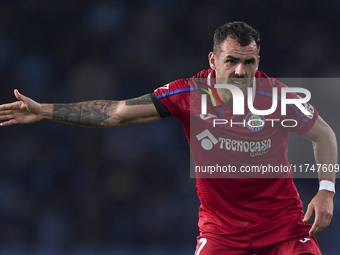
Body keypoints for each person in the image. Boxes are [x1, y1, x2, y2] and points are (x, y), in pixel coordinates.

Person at [0, 21, 336, 255]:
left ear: (257, 62)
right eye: (231, 61)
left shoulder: (278, 97)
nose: (240, 71)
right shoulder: (188, 93)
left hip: (282, 227)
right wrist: (44, 110)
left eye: (248, 63)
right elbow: (116, 112)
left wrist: (325, 190)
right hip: (222, 232)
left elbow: (324, 135)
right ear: (213, 60)